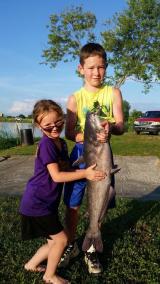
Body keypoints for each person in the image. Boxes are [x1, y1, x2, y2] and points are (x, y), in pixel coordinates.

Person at [19, 99, 105, 284]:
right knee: (61, 240)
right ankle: (49, 276)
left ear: (64, 120)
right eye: (48, 125)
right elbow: (57, 176)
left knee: (53, 242)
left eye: (58, 122)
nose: (54, 128)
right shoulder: (47, 145)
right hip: (37, 203)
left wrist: (87, 165)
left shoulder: (61, 144)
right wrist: (85, 173)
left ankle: (31, 265)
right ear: (38, 125)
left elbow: (66, 169)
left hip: (45, 204)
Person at [60, 43, 124, 274]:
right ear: (80, 69)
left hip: (103, 155)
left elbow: (121, 125)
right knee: (73, 205)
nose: (96, 72)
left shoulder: (113, 92)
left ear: (106, 68)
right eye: (91, 67)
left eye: (101, 67)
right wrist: (84, 136)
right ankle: (69, 244)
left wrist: (110, 129)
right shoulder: (74, 98)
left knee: (102, 198)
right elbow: (68, 132)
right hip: (80, 156)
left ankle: (91, 246)